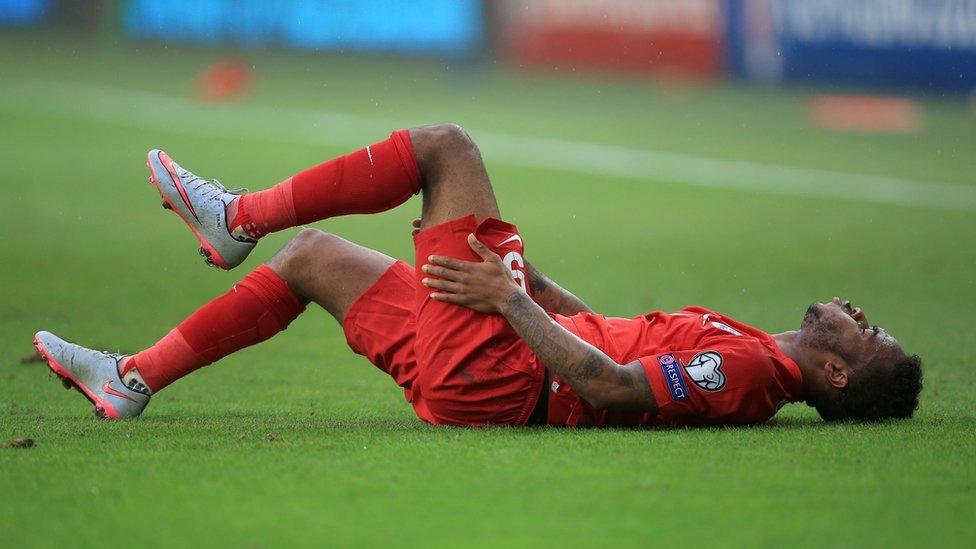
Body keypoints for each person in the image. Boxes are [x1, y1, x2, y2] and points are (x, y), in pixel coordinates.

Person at [33, 124, 923, 426]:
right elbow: (609, 334)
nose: (857, 313)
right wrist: (536, 290)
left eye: (868, 331)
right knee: (308, 259)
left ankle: (235, 218)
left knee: (445, 149)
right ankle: (133, 379)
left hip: (503, 374)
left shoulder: (755, 372)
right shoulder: (749, 343)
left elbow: (608, 385)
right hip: (501, 358)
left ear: (836, 371)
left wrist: (505, 298)